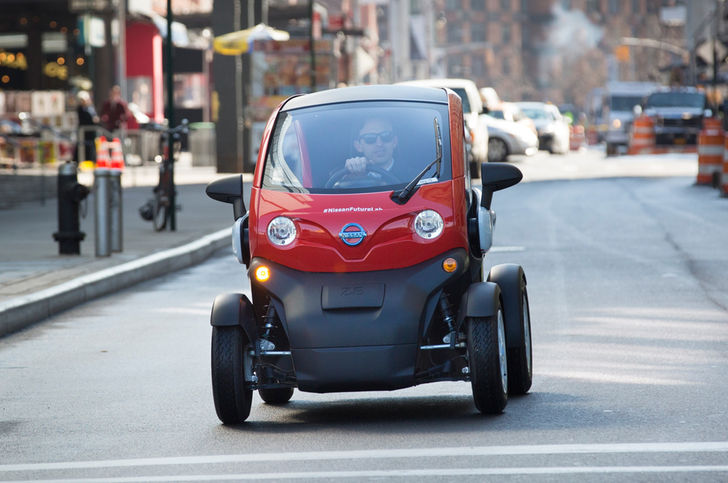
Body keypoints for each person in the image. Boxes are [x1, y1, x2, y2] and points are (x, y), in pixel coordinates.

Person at [75, 90, 98, 163]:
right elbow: (84, 120)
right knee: (82, 148)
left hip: (91, 133)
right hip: (84, 133)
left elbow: (95, 118)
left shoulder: (91, 108)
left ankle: (91, 161)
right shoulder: (80, 109)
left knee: (91, 148)